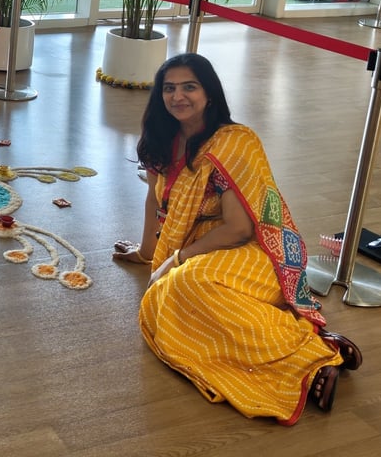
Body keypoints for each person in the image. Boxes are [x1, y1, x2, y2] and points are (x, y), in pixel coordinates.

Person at [113, 53, 362, 425]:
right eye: (169, 89)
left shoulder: (235, 143)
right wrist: (146, 253)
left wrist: (174, 259)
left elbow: (239, 229)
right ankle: (312, 361)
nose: (178, 96)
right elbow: (156, 201)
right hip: (201, 251)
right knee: (159, 306)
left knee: (185, 284)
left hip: (256, 253)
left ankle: (314, 354)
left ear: (209, 93)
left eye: (189, 87)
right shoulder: (162, 141)